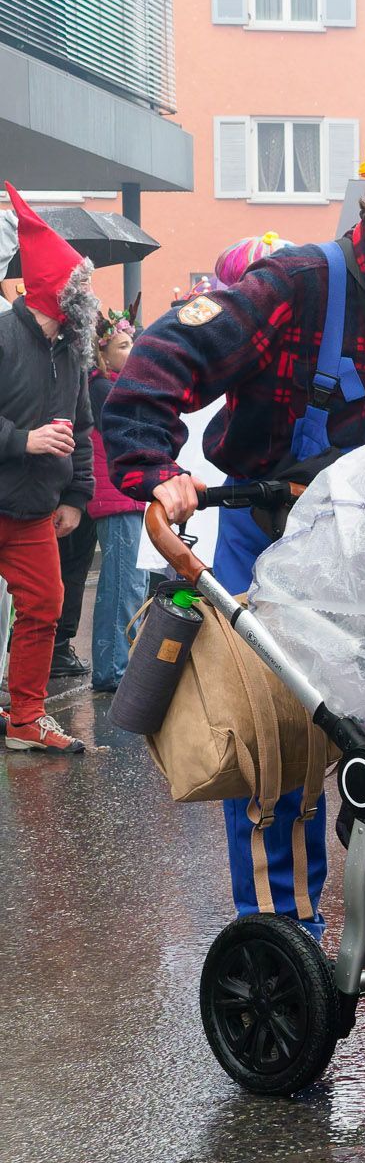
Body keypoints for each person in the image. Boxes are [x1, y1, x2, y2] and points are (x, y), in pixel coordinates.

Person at [104, 95, 365, 936]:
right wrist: (156, 472)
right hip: (276, 556)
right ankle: (281, 942)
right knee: (277, 760)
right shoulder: (298, 284)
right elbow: (162, 358)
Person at [0, 183, 96, 754]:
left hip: (36, 510)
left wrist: (76, 498)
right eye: (78, 285)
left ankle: (26, 719)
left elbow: (80, 431)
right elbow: (41, 437)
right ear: (50, 290)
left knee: (44, 608)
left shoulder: (72, 351)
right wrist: (21, 440)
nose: (87, 296)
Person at [83, 317, 148, 692]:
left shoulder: (110, 386)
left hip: (124, 498)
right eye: (123, 346)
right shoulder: (103, 388)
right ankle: (113, 670)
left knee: (130, 585)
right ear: (102, 352)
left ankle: (119, 665)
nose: (132, 351)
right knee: (123, 586)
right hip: (116, 498)